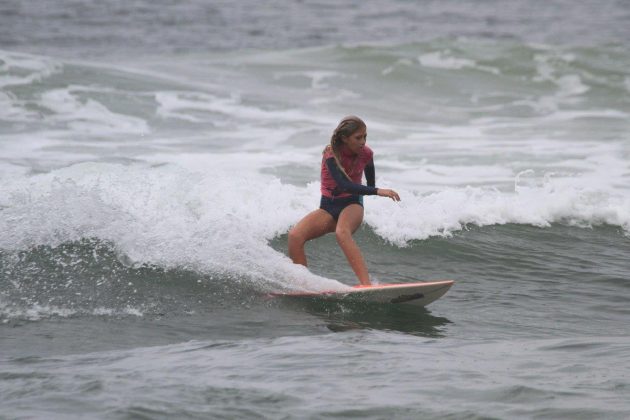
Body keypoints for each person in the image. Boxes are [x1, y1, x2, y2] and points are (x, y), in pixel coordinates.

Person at [288, 116, 400, 286]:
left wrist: (374, 190)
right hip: (328, 207)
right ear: (344, 138)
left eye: (365, 137)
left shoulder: (367, 154)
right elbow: (343, 185)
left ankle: (366, 285)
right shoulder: (331, 154)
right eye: (358, 137)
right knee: (295, 236)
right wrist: (379, 191)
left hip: (352, 204)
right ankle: (301, 285)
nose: (363, 142)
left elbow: (369, 185)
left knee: (342, 232)